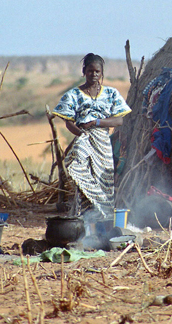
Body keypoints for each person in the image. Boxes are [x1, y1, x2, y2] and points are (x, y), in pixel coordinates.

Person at [52, 53, 131, 219]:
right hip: (84, 138)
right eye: (90, 71)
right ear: (83, 71)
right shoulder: (73, 95)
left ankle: (103, 219)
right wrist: (82, 133)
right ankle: (83, 219)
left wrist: (96, 122)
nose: (94, 74)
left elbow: (119, 121)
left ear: (102, 73)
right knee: (79, 169)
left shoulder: (111, 94)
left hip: (103, 142)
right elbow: (68, 122)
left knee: (105, 182)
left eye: (97, 71)